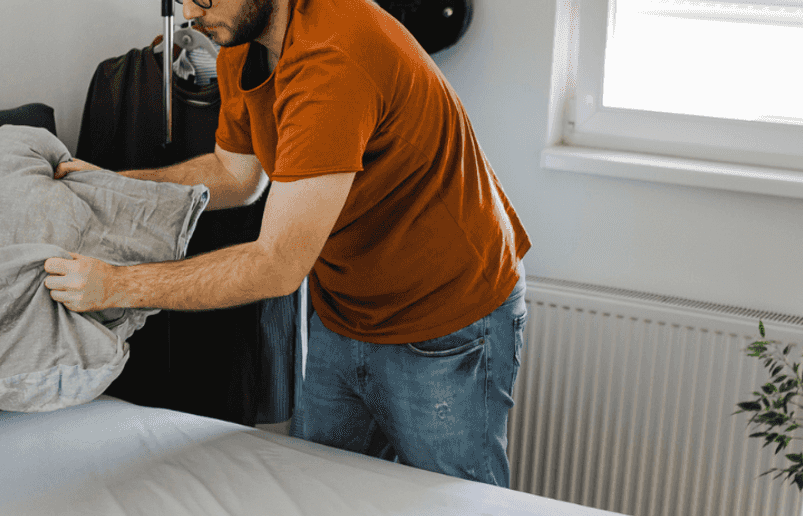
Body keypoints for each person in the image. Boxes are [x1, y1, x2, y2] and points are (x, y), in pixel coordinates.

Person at [46, 0, 530, 488]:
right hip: (347, 310)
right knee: (320, 496)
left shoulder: (334, 54)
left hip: (445, 317)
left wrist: (115, 286)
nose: (190, 13)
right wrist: (114, 187)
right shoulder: (242, 39)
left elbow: (276, 265)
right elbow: (236, 174)